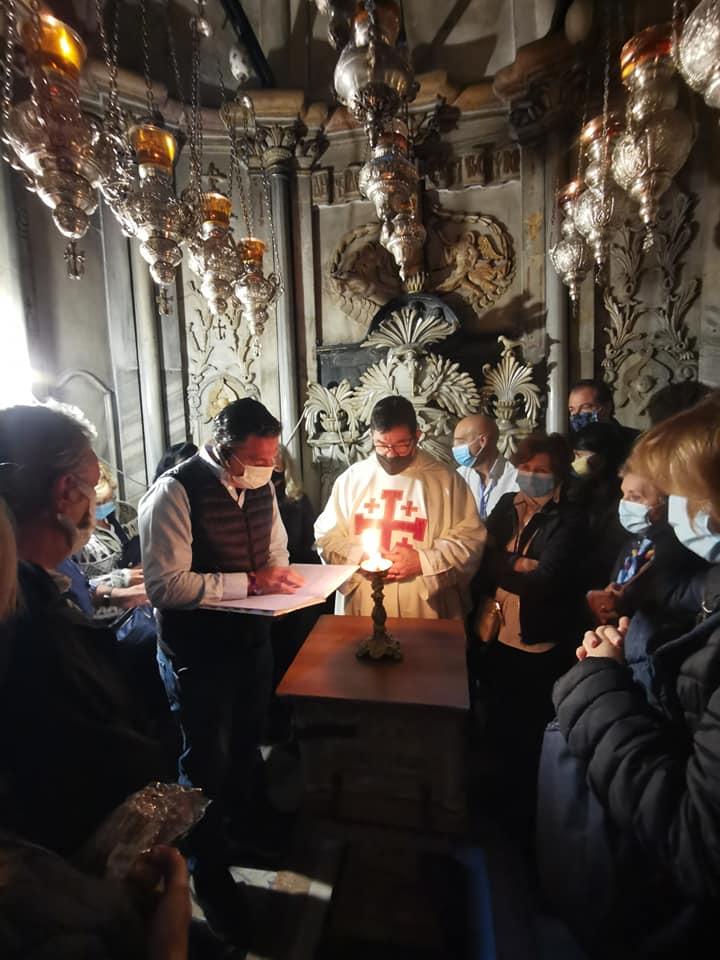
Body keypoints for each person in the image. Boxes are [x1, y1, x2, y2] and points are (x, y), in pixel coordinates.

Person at [549, 391, 720, 958]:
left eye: (685, 496)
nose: (674, 513)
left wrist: (603, 684)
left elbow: (697, 840)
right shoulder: (690, 585)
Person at [139, 398, 303, 947]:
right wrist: (248, 583)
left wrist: (279, 575)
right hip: (198, 652)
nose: (266, 470)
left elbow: (275, 547)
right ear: (223, 448)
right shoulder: (175, 492)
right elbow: (166, 585)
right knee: (204, 759)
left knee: (245, 746)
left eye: (271, 458)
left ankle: (246, 830)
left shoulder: (262, 486)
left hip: (250, 643)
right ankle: (206, 873)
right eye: (255, 460)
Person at [0, 404, 174, 858]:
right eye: (93, 488)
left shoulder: (35, 591)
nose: (97, 507)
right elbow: (89, 758)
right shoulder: (31, 620)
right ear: (64, 492)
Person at [474, 432, 588, 851]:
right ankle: (499, 808)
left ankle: (527, 823)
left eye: (540, 471)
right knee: (499, 724)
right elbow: (481, 562)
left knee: (529, 734)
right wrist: (513, 563)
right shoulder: (507, 507)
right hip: (496, 633)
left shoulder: (570, 520)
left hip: (538, 641)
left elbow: (545, 582)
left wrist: (506, 564)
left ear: (557, 475)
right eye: (524, 468)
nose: (530, 477)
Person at [314, 395, 485, 618]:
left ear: (417, 436)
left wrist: (422, 561)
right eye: (382, 445)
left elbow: (470, 540)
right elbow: (326, 537)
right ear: (371, 437)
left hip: (423, 608)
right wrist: (360, 557)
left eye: (401, 445)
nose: (391, 454)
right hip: (364, 603)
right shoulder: (352, 480)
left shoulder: (445, 481)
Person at [568, 421, 628, 588]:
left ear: (602, 457)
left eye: (580, 456)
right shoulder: (577, 487)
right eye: (574, 455)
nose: (575, 462)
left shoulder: (623, 494)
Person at [452, 413, 518, 520]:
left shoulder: (516, 479)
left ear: (482, 441)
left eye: (460, 442)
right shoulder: (459, 476)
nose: (455, 448)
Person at [272, 443, 318, 563]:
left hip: (296, 564)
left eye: (275, 468)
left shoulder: (298, 500)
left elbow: (309, 540)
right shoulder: (254, 500)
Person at [568, 378, 639, 456]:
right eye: (572, 410)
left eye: (585, 407)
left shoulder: (636, 442)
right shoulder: (567, 446)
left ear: (607, 407)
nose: (577, 414)